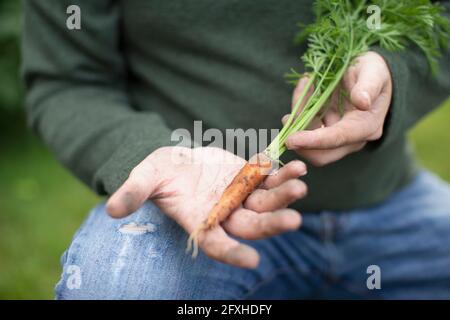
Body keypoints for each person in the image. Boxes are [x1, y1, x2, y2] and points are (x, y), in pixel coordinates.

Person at [23, 1, 450, 299]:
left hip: (386, 196)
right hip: (187, 205)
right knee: (114, 287)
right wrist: (147, 152)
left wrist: (395, 74)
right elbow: (67, 79)